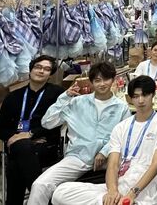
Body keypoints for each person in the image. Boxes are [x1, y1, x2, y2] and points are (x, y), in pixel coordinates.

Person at [52, 75, 157, 205]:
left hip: (144, 190)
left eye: (145, 95)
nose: (141, 100)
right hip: (118, 185)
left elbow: (155, 165)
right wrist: (112, 191)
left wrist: (132, 194)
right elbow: (113, 164)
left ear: (153, 95)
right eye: (136, 96)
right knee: (60, 192)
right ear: (130, 98)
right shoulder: (121, 127)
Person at [29, 62, 131, 204]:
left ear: (113, 80)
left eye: (106, 79)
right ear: (91, 82)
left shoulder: (121, 107)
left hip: (110, 159)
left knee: (130, 184)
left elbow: (124, 136)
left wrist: (104, 152)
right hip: (78, 157)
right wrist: (65, 97)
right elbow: (47, 122)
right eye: (97, 80)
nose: (102, 84)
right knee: (40, 185)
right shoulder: (77, 103)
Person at [0, 55, 65, 205]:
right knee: (23, 147)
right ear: (30, 70)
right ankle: (44, 200)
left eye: (47, 69)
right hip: (18, 146)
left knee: (15, 164)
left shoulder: (58, 94)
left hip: (46, 146)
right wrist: (16, 137)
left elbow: (59, 123)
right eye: (38, 67)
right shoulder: (13, 97)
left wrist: (31, 134)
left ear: (50, 74)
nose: (41, 71)